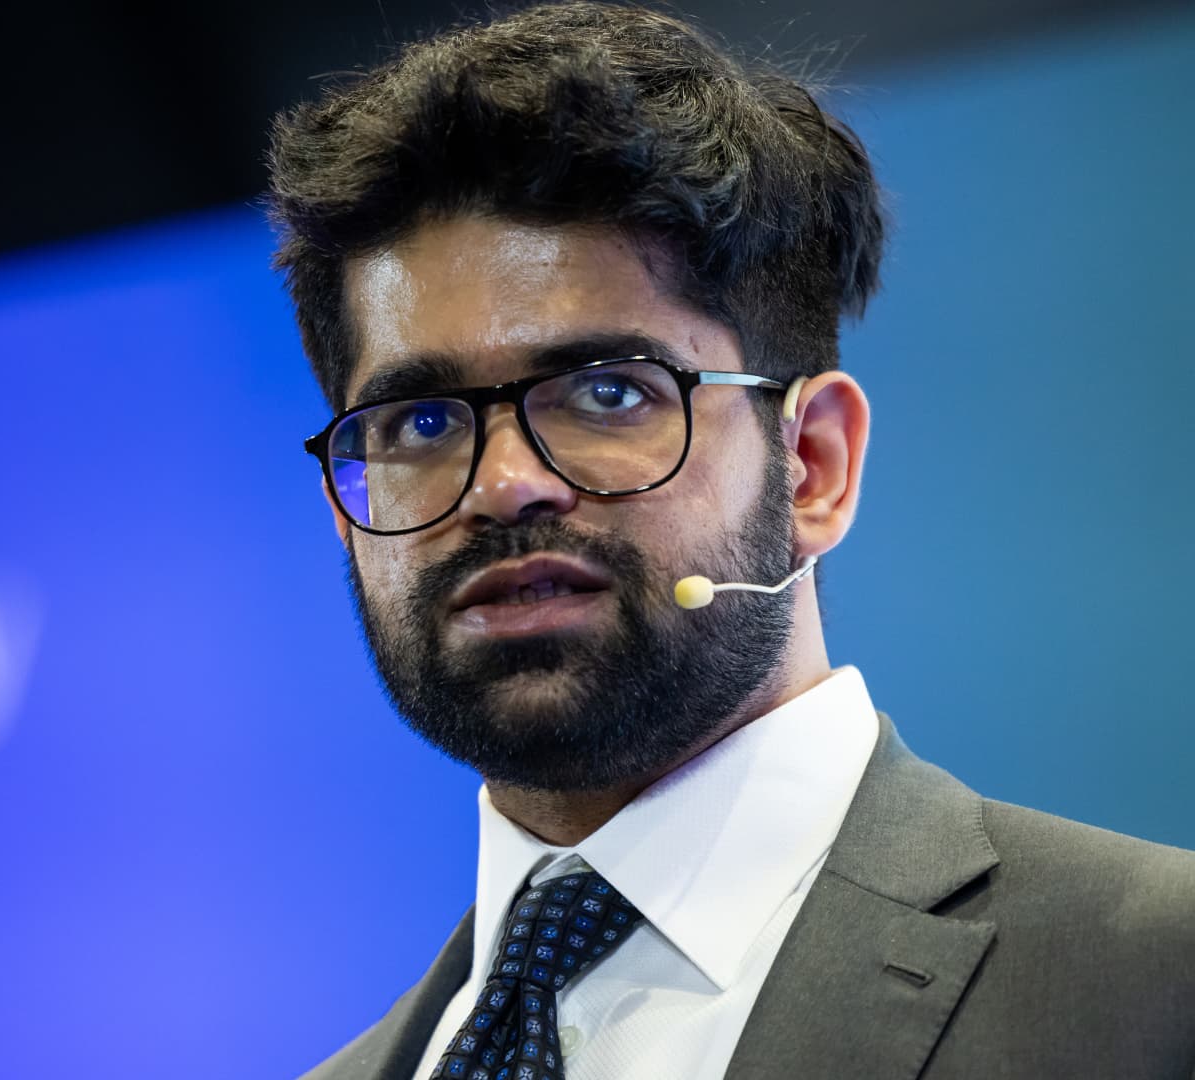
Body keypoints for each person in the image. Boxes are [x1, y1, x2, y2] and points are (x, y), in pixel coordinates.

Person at [264, 4, 1195, 1077]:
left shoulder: (1154, 982)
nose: (506, 484)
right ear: (345, 509)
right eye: (421, 424)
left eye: (609, 393)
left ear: (813, 466)